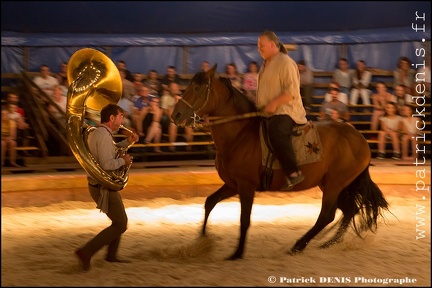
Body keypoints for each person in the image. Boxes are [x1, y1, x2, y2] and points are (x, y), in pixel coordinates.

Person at [74, 103, 138, 272]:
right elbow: (107, 163)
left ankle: (111, 255)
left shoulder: (101, 133)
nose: (122, 119)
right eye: (121, 116)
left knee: (117, 221)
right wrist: (123, 161)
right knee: (121, 224)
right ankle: (86, 252)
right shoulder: (102, 135)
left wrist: (127, 143)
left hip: (101, 185)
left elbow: (112, 151)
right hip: (103, 187)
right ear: (112, 118)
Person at [256, 30, 307, 190]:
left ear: (272, 45)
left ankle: (294, 173)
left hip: (286, 111)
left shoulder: (285, 62)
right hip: (266, 112)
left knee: (276, 131)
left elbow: (291, 92)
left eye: (261, 45)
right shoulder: (265, 65)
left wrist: (273, 104)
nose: (259, 49)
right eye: (258, 46)